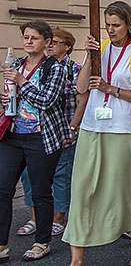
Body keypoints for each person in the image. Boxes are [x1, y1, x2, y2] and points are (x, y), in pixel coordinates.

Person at [63, 1, 131, 266]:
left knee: (127, 187)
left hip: (121, 128)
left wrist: (111, 88)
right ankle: (77, 257)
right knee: (82, 189)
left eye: (116, 25)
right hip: (92, 125)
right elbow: (80, 87)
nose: (111, 30)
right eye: (107, 25)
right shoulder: (98, 49)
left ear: (128, 25)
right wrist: (91, 58)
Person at [0, 20, 70, 261]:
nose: (28, 42)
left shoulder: (56, 68)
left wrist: (21, 82)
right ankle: (2, 245)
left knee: (40, 190)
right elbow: (13, 96)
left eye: (34, 38)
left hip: (42, 136)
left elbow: (46, 101)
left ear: (47, 42)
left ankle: (42, 241)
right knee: (2, 187)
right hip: (13, 134)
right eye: (26, 37)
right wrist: (6, 98)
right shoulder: (18, 63)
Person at [18, 27, 88, 239]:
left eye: (55, 42)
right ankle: (34, 217)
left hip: (63, 130)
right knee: (30, 176)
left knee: (61, 175)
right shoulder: (38, 67)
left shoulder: (73, 69)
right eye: (50, 42)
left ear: (67, 47)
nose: (50, 46)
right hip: (36, 131)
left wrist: (73, 128)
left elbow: (81, 100)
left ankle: (59, 217)